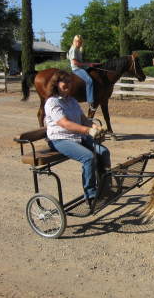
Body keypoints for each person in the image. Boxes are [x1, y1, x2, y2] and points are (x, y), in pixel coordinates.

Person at [44, 70, 111, 206]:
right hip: (60, 139)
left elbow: (83, 119)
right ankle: (90, 196)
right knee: (88, 157)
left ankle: (105, 188)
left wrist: (95, 127)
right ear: (56, 84)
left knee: (104, 152)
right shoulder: (52, 102)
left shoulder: (72, 100)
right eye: (65, 81)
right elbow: (65, 123)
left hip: (77, 137)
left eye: (70, 81)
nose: (68, 84)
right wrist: (88, 130)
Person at [68, 34, 98, 111]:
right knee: (89, 81)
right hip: (77, 69)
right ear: (74, 41)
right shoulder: (74, 49)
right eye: (77, 41)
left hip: (81, 67)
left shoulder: (78, 49)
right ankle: (90, 101)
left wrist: (90, 64)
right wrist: (87, 64)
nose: (79, 43)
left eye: (80, 42)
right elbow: (75, 63)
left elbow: (81, 62)